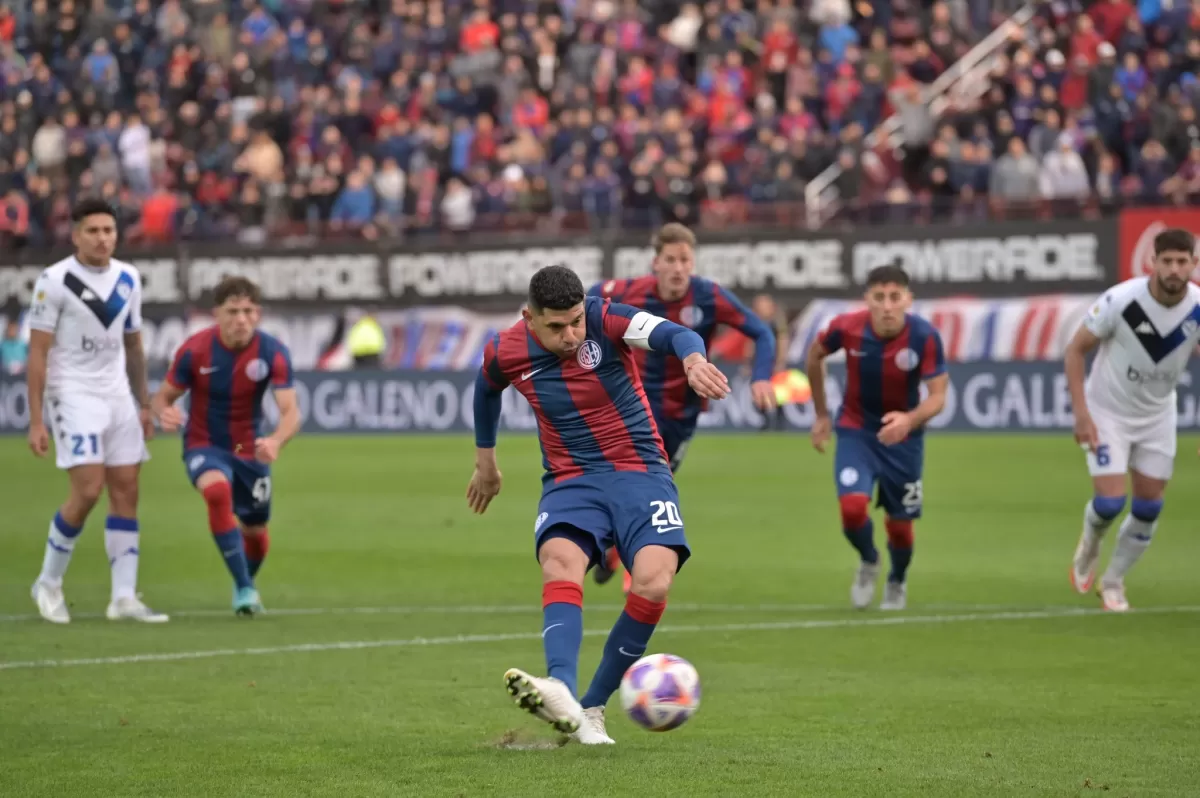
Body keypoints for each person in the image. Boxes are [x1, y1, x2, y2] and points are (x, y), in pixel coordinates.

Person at [467, 264, 729, 745]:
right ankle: (560, 689)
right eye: (555, 326)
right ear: (529, 317)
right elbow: (486, 390)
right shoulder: (504, 350)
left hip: (640, 469)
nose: (570, 335)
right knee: (559, 563)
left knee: (653, 582)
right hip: (571, 479)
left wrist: (692, 361)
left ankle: (592, 707)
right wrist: (487, 463)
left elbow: (676, 334)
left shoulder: (605, 318)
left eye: (574, 323)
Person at [587, 223, 777, 590]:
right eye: (670, 260)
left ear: (693, 263)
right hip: (635, 406)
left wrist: (762, 376)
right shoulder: (628, 292)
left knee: (655, 480)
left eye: (684, 260)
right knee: (645, 482)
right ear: (655, 263)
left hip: (684, 412)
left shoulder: (708, 296)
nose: (677, 268)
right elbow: (584, 302)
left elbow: (762, 332)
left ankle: (612, 546)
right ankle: (635, 563)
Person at [26, 197, 167, 624]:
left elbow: (133, 344)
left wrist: (144, 403)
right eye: (94, 231)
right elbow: (37, 353)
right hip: (73, 394)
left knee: (126, 489)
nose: (103, 238)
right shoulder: (54, 280)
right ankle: (47, 583)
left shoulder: (128, 278)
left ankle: (123, 597)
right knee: (87, 490)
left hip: (117, 395)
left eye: (109, 230)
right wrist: (37, 419)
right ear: (76, 235)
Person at [1064, 227, 1200, 612]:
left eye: (1182, 261)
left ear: (1193, 263)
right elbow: (1075, 350)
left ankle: (1114, 582)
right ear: (1153, 262)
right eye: (1167, 261)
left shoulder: (1197, 306)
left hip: (1157, 414)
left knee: (1149, 507)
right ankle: (1090, 543)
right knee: (1109, 503)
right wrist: (1081, 414)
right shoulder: (1121, 300)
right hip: (1108, 412)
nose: (1174, 269)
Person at [151, 276, 300, 616]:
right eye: (233, 311)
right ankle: (246, 588)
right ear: (216, 314)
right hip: (205, 442)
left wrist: (276, 440)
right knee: (217, 492)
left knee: (256, 533)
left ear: (258, 314)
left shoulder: (273, 352)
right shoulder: (194, 350)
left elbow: (291, 411)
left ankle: (242, 581)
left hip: (249, 449)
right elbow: (162, 397)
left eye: (248, 311)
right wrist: (164, 412)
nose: (241, 319)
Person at [805, 265, 948, 611]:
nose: (887, 306)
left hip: (905, 439)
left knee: (899, 529)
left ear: (907, 300)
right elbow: (815, 355)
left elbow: (938, 396)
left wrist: (909, 420)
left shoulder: (924, 337)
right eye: (879, 297)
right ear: (867, 299)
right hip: (857, 431)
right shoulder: (846, 328)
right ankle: (869, 560)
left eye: (895, 297)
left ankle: (897, 578)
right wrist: (822, 414)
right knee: (852, 509)